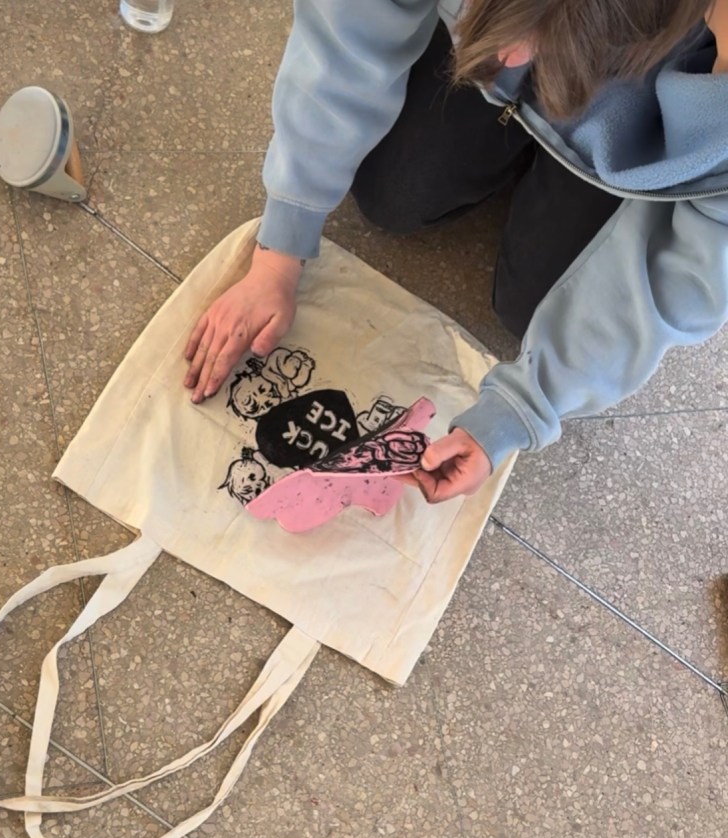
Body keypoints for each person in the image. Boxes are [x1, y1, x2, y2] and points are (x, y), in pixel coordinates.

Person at [184, 0, 728, 503]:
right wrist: (282, 244)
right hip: (539, 56)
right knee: (391, 197)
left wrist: (523, 407)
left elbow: (696, 261)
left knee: (530, 308)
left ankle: (583, 138)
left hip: (645, 108)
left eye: (534, 40)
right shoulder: (507, 44)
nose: (509, 58)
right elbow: (345, 30)